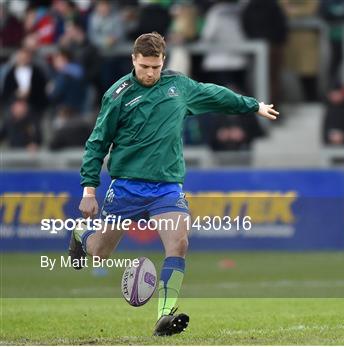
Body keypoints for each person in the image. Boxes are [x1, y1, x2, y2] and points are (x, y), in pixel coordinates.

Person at [69, 32, 278, 337]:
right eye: (144, 67)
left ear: (163, 61)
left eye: (155, 67)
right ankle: (80, 234)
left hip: (167, 187)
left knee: (178, 244)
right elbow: (97, 143)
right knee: (100, 252)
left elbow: (215, 94)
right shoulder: (118, 95)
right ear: (133, 60)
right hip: (126, 186)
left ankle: (164, 316)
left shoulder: (179, 86)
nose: (150, 73)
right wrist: (89, 190)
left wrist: (252, 105)